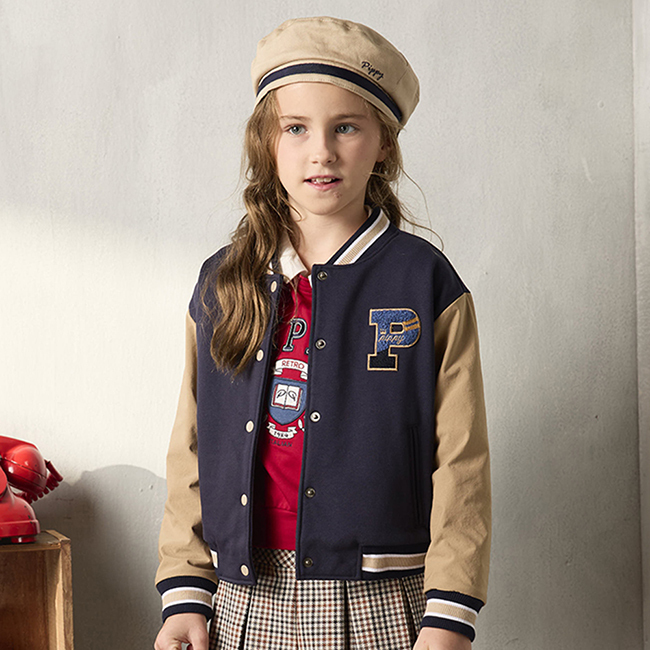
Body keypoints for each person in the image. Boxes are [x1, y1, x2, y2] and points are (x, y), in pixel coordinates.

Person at [154, 16, 490, 650]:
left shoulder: (425, 283)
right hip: (242, 597)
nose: (322, 152)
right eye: (296, 128)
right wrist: (186, 590)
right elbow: (192, 447)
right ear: (268, 141)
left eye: (346, 127)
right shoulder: (222, 282)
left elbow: (461, 461)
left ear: (383, 143)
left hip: (383, 602)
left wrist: (449, 614)